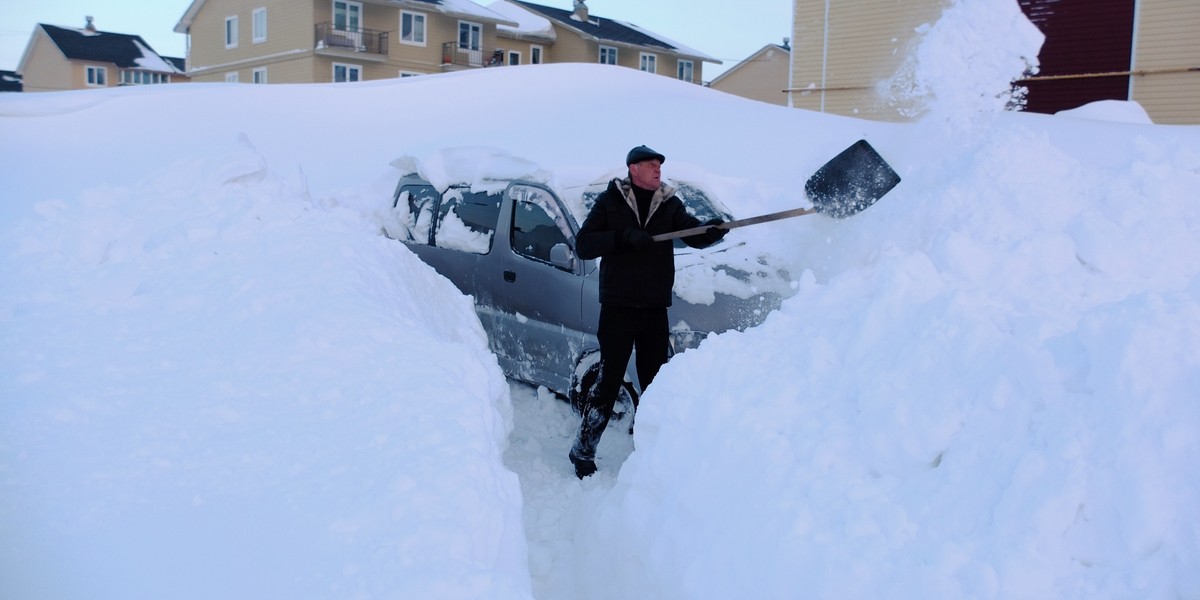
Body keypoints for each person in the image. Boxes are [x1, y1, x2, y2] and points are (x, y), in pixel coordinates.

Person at [569, 145, 726, 479]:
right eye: (651, 164)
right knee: (609, 380)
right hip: (619, 308)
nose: (658, 169)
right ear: (633, 169)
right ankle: (582, 451)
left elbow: (692, 233)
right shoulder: (611, 201)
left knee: (656, 383)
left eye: (659, 165)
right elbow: (584, 244)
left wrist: (709, 232)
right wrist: (623, 237)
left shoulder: (668, 202)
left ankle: (652, 453)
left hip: (654, 308)